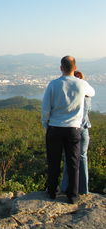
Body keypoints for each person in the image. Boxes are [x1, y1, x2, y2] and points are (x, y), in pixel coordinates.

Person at [41, 56, 95, 204]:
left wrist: (46, 124)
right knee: (73, 162)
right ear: (75, 68)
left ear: (61, 68)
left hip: (55, 127)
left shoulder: (53, 84)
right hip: (73, 129)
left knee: (53, 161)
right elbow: (92, 93)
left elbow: (45, 108)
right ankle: (72, 195)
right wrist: (81, 80)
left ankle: (52, 191)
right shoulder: (82, 84)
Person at [60, 71, 91, 194]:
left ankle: (66, 187)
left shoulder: (72, 95)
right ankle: (84, 189)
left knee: (69, 158)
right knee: (82, 157)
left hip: (72, 129)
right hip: (84, 130)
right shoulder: (87, 96)